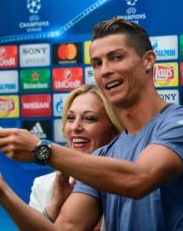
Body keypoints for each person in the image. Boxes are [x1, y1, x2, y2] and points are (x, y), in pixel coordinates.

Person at [0, 18, 183, 231]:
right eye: (97, 63)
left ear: (148, 60)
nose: (105, 70)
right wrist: (1, 191)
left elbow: (139, 179)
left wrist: (41, 150)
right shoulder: (104, 156)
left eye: (116, 57)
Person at [29, 84, 122, 230]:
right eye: (70, 118)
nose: (75, 127)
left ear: (114, 127)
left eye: (89, 118)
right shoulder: (43, 186)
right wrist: (55, 205)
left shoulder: (129, 184)